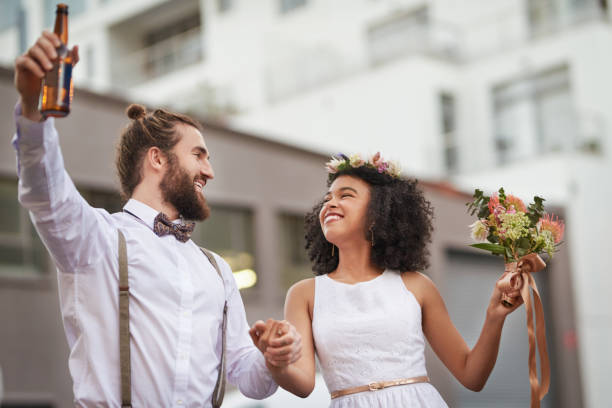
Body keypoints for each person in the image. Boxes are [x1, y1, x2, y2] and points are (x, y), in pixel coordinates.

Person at [12, 31, 301, 407]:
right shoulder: (96, 240)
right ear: (157, 159)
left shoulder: (216, 271)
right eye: (199, 155)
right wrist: (34, 112)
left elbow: (248, 379)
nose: (209, 171)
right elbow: (44, 192)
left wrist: (271, 358)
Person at [250, 152, 524, 407]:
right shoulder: (304, 294)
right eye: (327, 198)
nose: (330, 203)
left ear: (377, 215)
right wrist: (276, 362)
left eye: (346, 195)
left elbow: (471, 376)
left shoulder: (416, 285)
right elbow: (303, 385)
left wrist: (494, 315)